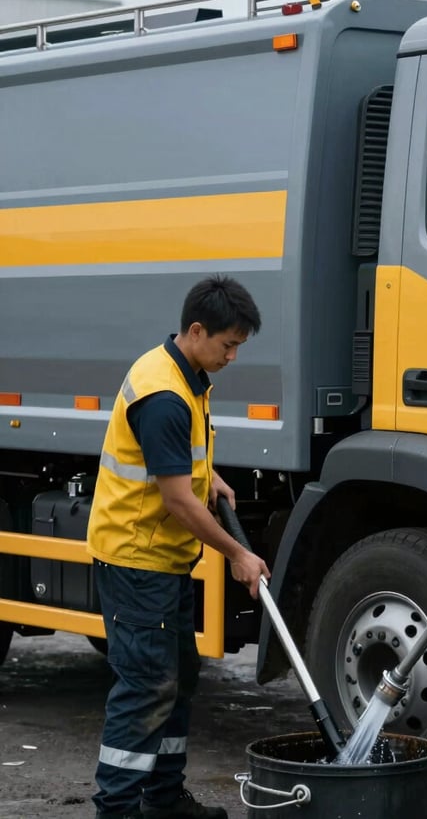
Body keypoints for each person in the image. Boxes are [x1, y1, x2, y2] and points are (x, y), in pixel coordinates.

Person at [87, 275, 271, 819]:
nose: (232, 357)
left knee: (177, 680)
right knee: (145, 688)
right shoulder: (165, 393)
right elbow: (175, 502)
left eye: (238, 346)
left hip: (163, 561)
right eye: (227, 345)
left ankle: (163, 801)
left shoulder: (186, 374)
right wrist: (237, 553)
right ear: (196, 330)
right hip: (136, 559)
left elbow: (176, 469)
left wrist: (207, 476)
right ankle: (116, 810)